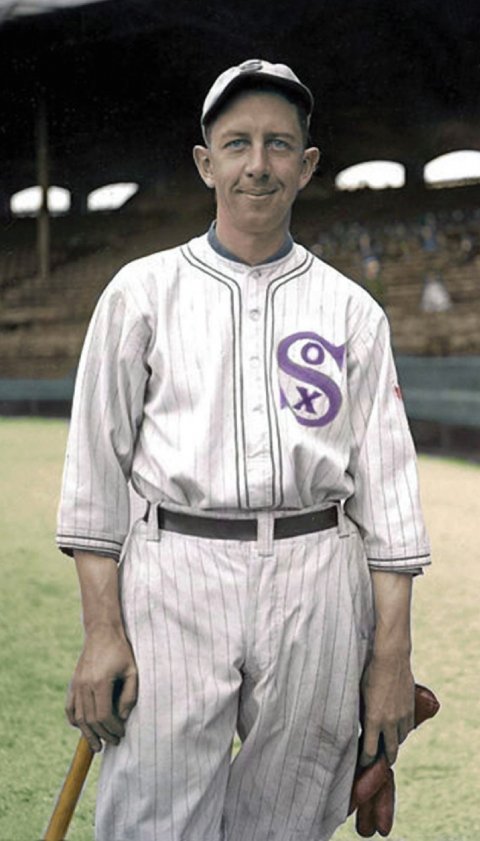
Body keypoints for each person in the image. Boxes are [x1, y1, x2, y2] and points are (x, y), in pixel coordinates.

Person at [57, 59, 431, 841]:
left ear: (307, 164)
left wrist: (390, 658)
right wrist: (101, 632)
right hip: (175, 570)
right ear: (206, 163)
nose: (257, 163)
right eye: (237, 143)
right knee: (153, 819)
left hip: (317, 572)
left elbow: (391, 498)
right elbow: (94, 477)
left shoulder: (353, 310)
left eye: (278, 144)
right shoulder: (139, 293)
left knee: (286, 823)